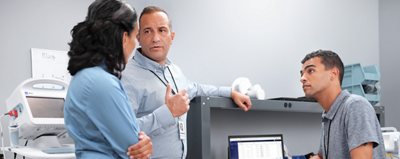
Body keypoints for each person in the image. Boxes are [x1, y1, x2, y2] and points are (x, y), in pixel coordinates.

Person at [120, 6, 252, 158]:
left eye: (162, 30)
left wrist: (231, 92)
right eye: (148, 31)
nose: (155, 38)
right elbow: (122, 130)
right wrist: (168, 113)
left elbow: (196, 88)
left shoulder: (173, 70)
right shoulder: (127, 77)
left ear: (172, 37)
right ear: (139, 39)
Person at [64, 0, 153, 158]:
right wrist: (142, 144)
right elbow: (133, 150)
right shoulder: (101, 82)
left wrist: (141, 139)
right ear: (124, 38)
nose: (135, 45)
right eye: (135, 36)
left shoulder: (84, 76)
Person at [300, 50, 385, 159]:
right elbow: (321, 157)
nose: (302, 78)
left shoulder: (355, 106)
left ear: (333, 74)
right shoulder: (329, 114)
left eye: (310, 71)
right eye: (302, 73)